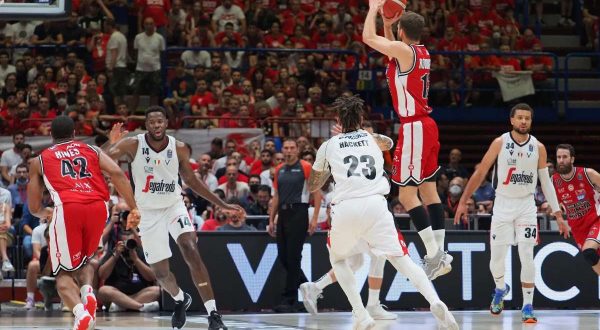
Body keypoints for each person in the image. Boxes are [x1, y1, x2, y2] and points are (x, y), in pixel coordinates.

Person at [308, 94, 458, 330]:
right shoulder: (372, 138)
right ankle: (436, 302)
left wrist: (331, 164)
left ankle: (361, 315)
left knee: (338, 259)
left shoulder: (328, 146)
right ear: (360, 118)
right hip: (376, 206)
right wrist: (363, 134)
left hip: (346, 207)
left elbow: (313, 185)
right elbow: (388, 142)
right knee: (404, 261)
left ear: (338, 119)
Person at [103, 106, 245, 329]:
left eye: (160, 122)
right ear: (146, 125)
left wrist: (223, 204)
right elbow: (102, 160)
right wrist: (111, 142)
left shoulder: (178, 148)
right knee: (160, 272)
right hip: (147, 213)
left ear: (166, 123)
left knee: (190, 248)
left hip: (173, 206)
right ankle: (180, 299)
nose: (156, 126)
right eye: (152, 122)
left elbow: (192, 180)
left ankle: (213, 315)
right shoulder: (133, 144)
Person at [362, 2, 451, 280]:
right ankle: (440, 254)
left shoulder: (403, 51)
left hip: (414, 127)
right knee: (428, 190)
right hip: (427, 126)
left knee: (406, 194)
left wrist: (374, 10)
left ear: (403, 31)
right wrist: (389, 24)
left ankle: (434, 254)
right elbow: (391, 47)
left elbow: (367, 38)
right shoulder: (419, 52)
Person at [27, 116, 141, 330]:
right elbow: (116, 172)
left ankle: (81, 314)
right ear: (75, 134)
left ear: (51, 136)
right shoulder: (92, 150)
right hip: (99, 208)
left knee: (62, 275)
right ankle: (87, 290)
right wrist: (133, 206)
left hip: (69, 208)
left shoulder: (40, 160)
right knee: (83, 260)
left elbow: (33, 207)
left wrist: (47, 211)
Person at [454, 103, 565, 324]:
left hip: (526, 206)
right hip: (502, 205)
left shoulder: (539, 147)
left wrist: (558, 212)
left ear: (531, 122)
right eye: (520, 118)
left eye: (528, 118)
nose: (524, 121)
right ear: (512, 120)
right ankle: (500, 288)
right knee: (496, 260)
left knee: (527, 256)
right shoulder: (500, 143)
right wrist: (463, 201)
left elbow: (546, 182)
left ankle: (528, 306)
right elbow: (480, 173)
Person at [268, 139, 321, 313]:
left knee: (293, 257)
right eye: (286, 148)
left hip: (299, 213)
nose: (289, 151)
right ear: (282, 150)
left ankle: (289, 299)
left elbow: (316, 193)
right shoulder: (279, 169)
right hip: (283, 214)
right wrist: (271, 219)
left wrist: (314, 219)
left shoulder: (306, 166)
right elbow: (276, 196)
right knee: (284, 257)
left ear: (297, 150)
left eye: (292, 148)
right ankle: (310, 288)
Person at [552, 144, 599, 274]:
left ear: (572, 159)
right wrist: (559, 219)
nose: (561, 160)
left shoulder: (588, 173)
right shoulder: (554, 181)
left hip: (596, 220)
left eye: (565, 157)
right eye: (558, 157)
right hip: (578, 228)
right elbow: (554, 203)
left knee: (589, 251)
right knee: (590, 257)